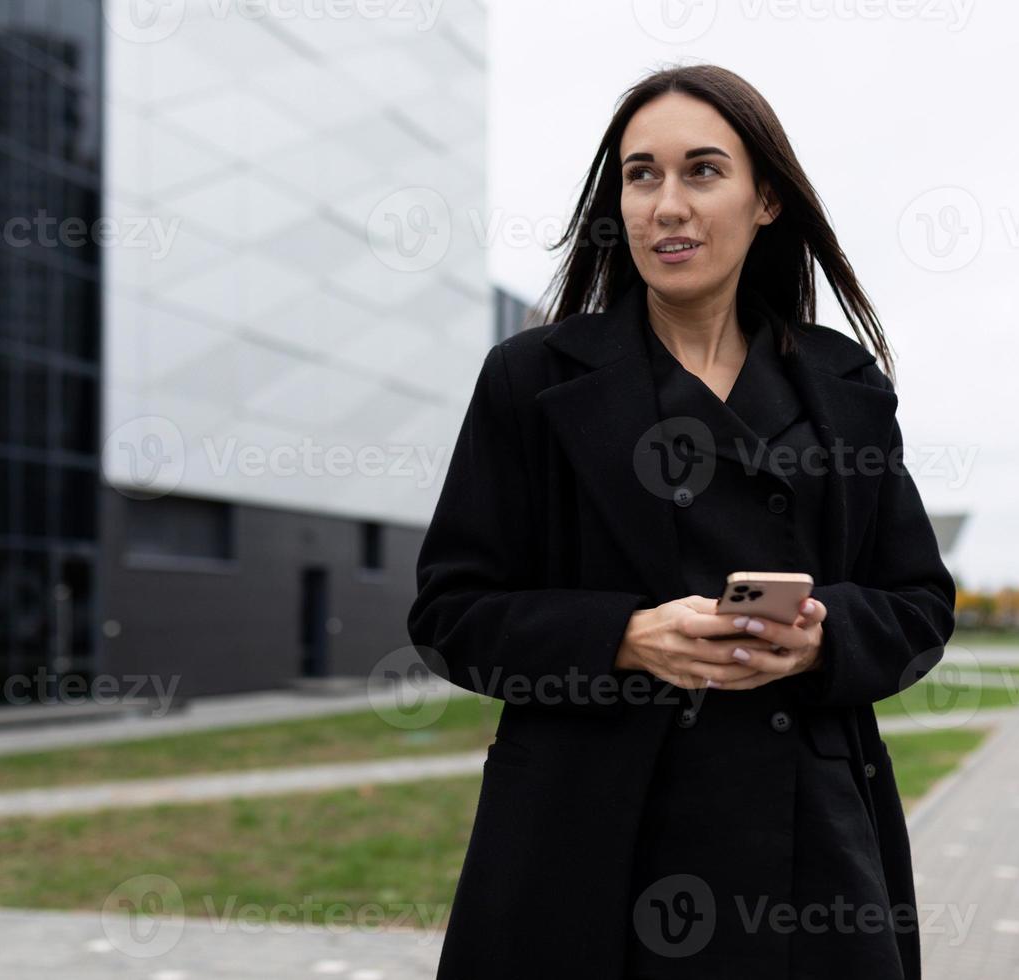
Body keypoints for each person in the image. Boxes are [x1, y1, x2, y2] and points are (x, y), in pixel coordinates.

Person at [407, 64, 956, 980]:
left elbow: (919, 606)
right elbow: (449, 615)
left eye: (703, 171)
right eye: (641, 175)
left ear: (766, 198)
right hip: (586, 848)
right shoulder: (531, 380)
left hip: (808, 850)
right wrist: (621, 637)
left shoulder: (848, 387)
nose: (667, 204)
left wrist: (822, 643)